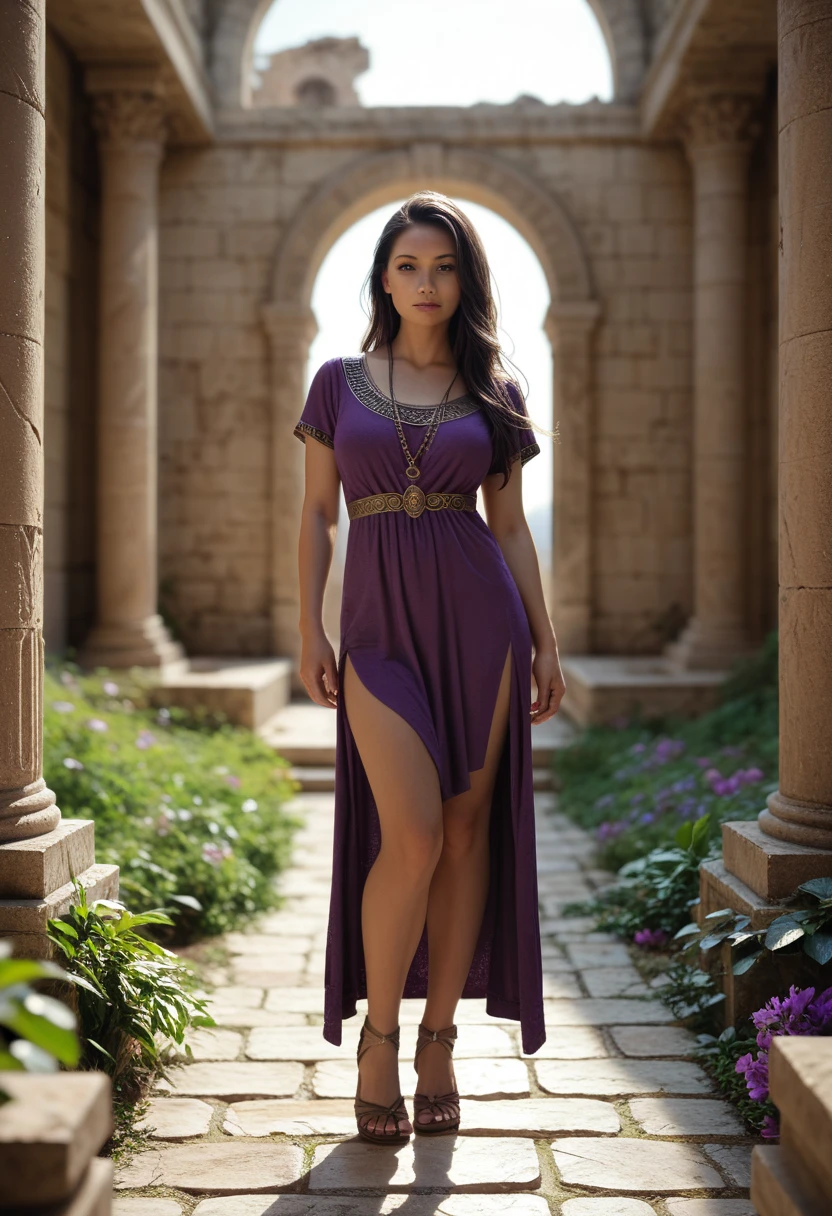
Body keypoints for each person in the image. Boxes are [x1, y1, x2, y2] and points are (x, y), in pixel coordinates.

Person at [294, 191, 565, 1145]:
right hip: (376, 631)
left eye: (443, 268)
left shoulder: (497, 390)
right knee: (408, 835)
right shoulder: (337, 381)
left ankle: (439, 1040)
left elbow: (510, 529)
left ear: (465, 280)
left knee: (459, 835)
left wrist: (546, 638)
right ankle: (378, 1037)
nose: (425, 283)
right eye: (408, 266)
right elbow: (318, 518)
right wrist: (308, 630)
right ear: (382, 276)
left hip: (482, 621)